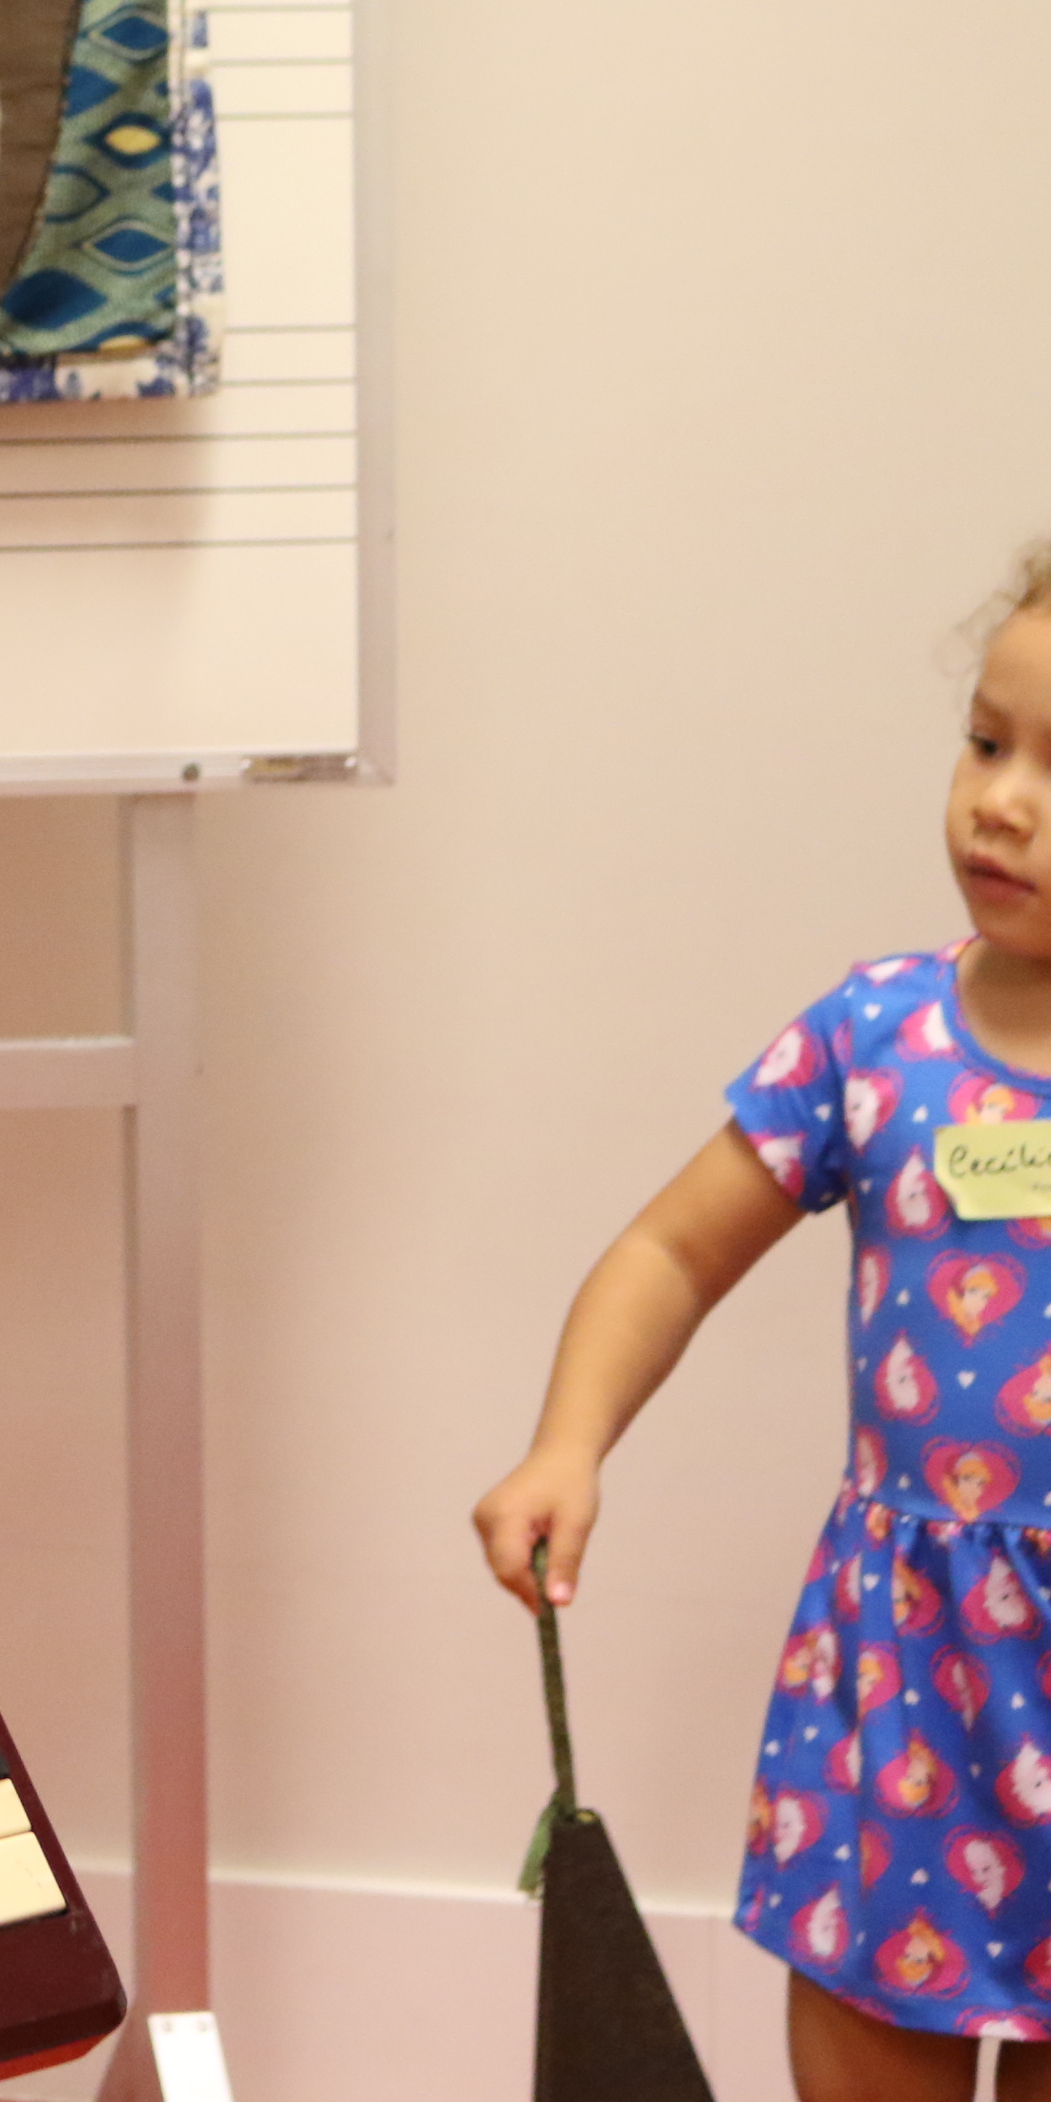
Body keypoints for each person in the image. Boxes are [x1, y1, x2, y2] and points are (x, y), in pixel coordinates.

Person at [475, 547, 1051, 2100]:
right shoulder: (878, 1037)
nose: (1001, 803)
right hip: (908, 1680)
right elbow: (671, 1251)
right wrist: (567, 1444)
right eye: (988, 742)